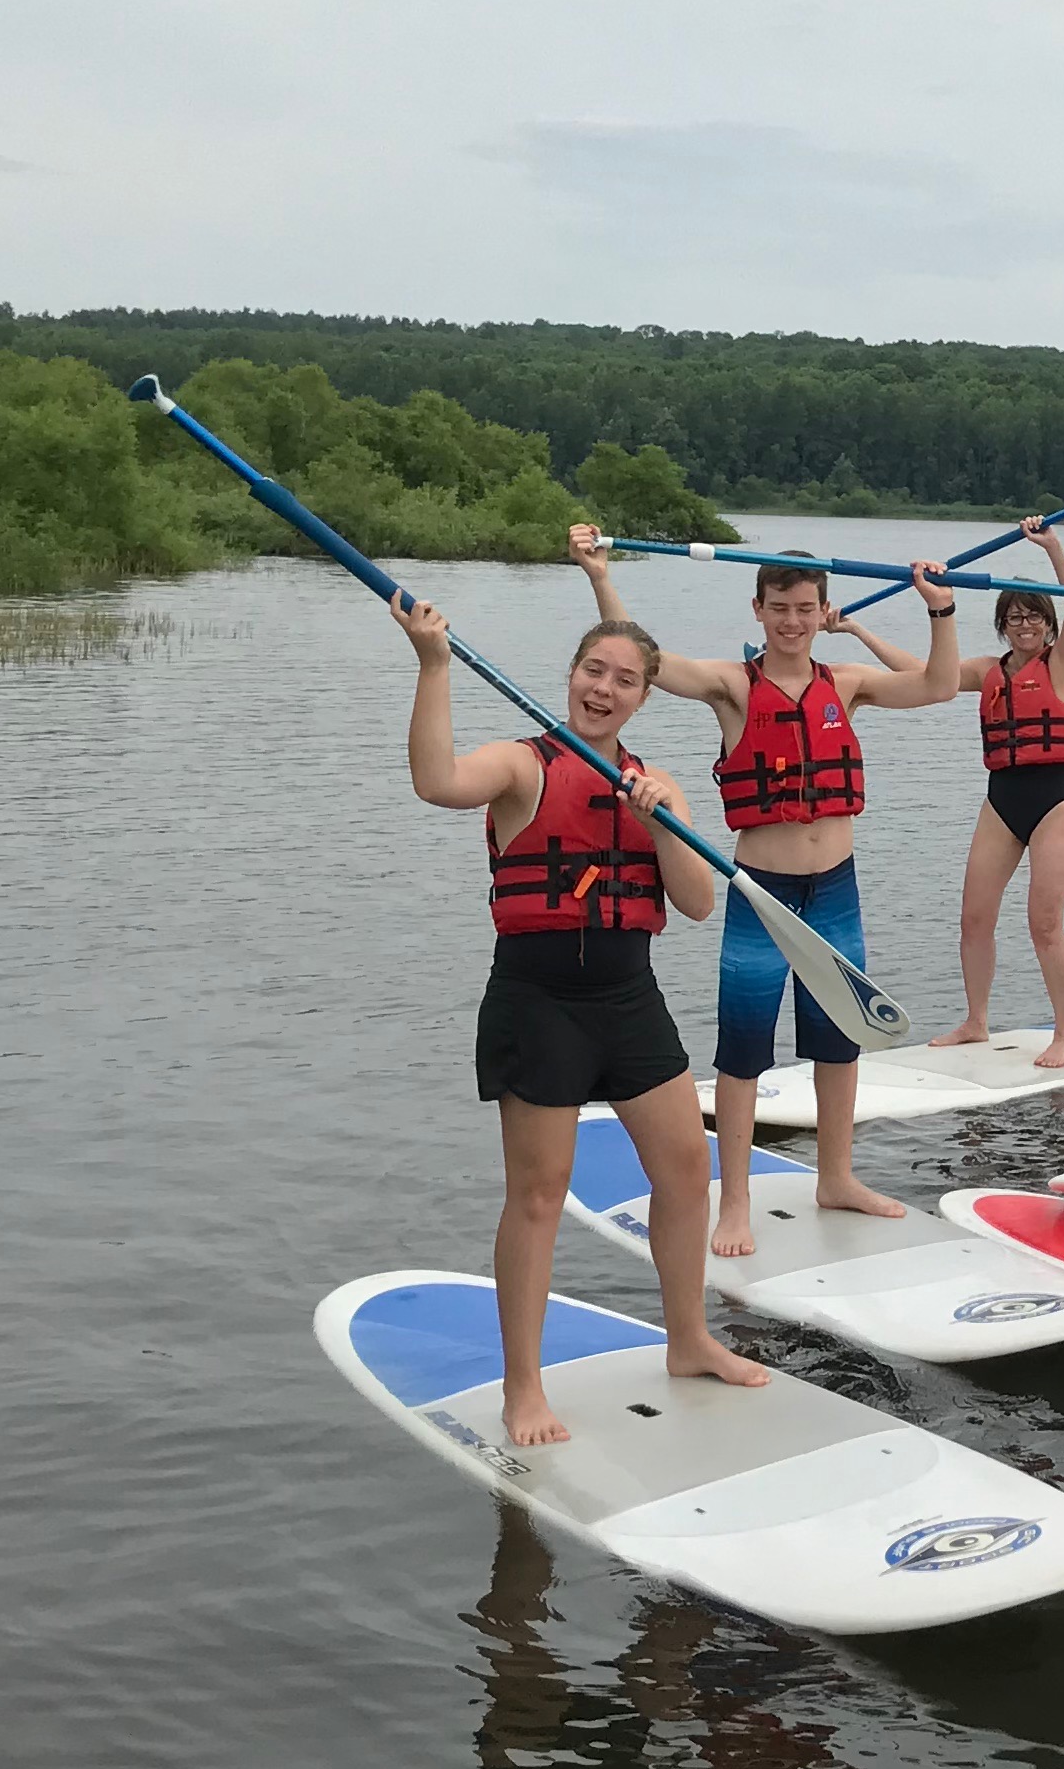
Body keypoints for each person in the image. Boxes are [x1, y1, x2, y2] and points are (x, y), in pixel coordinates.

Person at [392, 589, 764, 1446]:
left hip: (628, 999)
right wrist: (434, 665)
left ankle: (690, 1340)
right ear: (572, 677)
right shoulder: (524, 766)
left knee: (684, 1174)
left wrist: (665, 821)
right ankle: (523, 1389)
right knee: (537, 1196)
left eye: (626, 680)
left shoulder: (652, 784)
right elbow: (435, 781)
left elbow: (699, 903)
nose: (606, 688)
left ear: (643, 695)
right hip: (540, 999)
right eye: (595, 671)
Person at [570, 529, 962, 1255]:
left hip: (835, 887)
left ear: (822, 611)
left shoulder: (845, 683)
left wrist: (940, 610)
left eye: (805, 608)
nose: (792, 620)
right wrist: (600, 576)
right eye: (779, 607)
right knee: (744, 1053)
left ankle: (837, 1178)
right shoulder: (732, 687)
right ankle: (736, 1203)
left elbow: (940, 687)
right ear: (759, 610)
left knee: (840, 1042)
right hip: (763, 891)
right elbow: (647, 663)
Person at [924, 520, 1064, 1066]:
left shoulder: (1063, 663)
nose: (1025, 625)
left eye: (1034, 617)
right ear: (1003, 626)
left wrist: (1052, 547)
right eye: (1015, 617)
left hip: (1055, 802)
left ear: (1047, 624)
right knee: (974, 918)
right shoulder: (985, 671)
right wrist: (854, 632)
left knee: (1043, 924)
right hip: (1002, 798)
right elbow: (921, 672)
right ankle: (976, 1021)